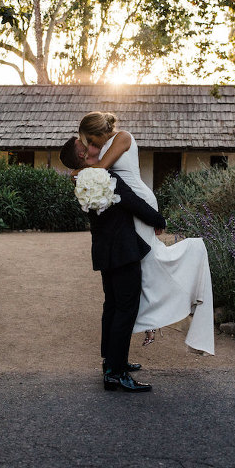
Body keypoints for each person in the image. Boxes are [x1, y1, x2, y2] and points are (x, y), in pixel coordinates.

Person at [77, 111, 215, 355]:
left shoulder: (122, 137)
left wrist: (79, 174)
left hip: (138, 203)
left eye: (89, 140)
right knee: (143, 264)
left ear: (98, 133)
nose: (91, 146)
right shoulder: (109, 143)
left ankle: (156, 311)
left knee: (146, 261)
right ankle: (147, 321)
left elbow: (100, 169)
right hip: (131, 207)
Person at [60, 136, 166, 392]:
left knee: (113, 307)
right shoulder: (103, 178)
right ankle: (116, 374)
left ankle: (111, 362)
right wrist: (159, 220)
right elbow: (132, 202)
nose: (93, 147)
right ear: (84, 156)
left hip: (105, 252)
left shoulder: (81, 180)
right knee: (125, 309)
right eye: (86, 147)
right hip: (123, 251)